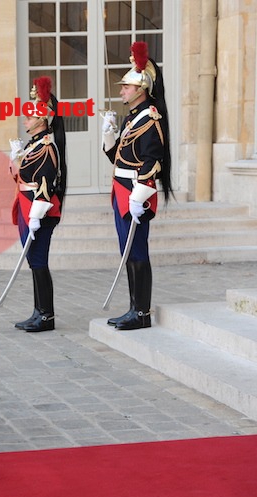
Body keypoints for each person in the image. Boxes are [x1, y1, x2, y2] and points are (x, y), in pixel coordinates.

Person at [102, 41, 172, 330]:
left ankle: (141, 313)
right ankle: (134, 307)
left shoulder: (150, 118)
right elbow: (117, 156)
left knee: (137, 252)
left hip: (135, 193)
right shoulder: (133, 119)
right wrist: (109, 136)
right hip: (122, 190)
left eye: (126, 87)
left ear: (140, 89)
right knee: (128, 252)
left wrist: (139, 195)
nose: (121, 91)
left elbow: (153, 161)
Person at [8, 76, 67, 332]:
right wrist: (16, 159)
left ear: (42, 120)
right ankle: (38, 311)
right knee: (34, 261)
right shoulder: (33, 145)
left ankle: (46, 316)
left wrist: (36, 215)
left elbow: (45, 183)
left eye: (29, 118)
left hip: (38, 210)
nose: (25, 121)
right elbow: (23, 175)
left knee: (39, 261)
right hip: (26, 205)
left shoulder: (46, 147)